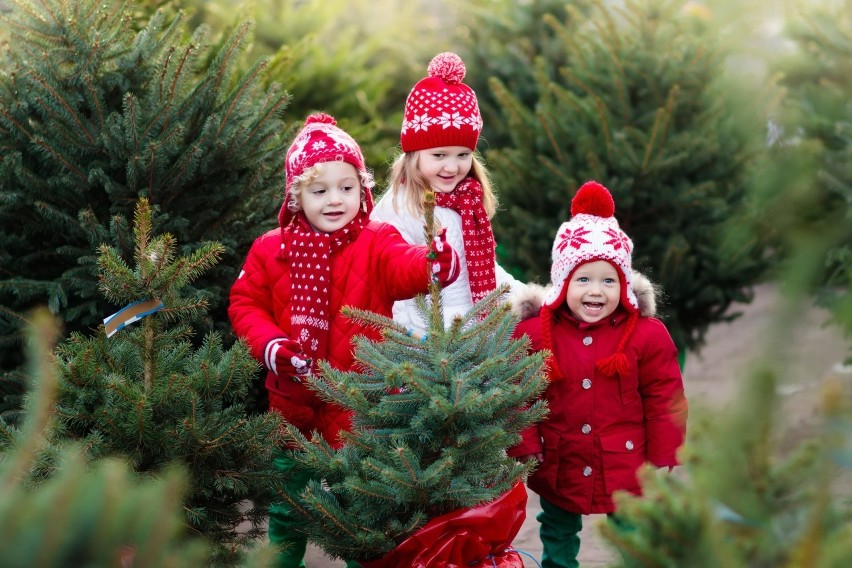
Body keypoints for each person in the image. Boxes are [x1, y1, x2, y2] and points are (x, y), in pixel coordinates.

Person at [228, 113, 461, 568]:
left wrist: (433, 260)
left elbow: (405, 266)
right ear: (296, 197)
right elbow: (245, 304)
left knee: (362, 507)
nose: (336, 200)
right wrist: (272, 347)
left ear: (363, 190)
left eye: (347, 187)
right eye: (320, 190)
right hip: (292, 396)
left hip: (360, 400)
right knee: (288, 504)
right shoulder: (270, 249)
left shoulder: (377, 241)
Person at [510, 180, 688, 568]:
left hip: (626, 459)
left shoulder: (645, 334)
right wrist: (526, 444)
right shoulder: (534, 334)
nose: (596, 291)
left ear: (624, 284)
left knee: (630, 528)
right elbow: (520, 393)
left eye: (608, 280)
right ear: (562, 283)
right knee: (556, 525)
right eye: (583, 279)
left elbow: (664, 396)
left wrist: (664, 453)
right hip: (561, 455)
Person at [372, 51, 525, 335]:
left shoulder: (466, 201)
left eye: (463, 154)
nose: (452, 167)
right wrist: (412, 339)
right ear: (414, 154)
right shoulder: (399, 208)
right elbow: (391, 281)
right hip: (429, 343)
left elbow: (484, 271)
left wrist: (524, 297)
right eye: (439, 154)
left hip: (474, 333)